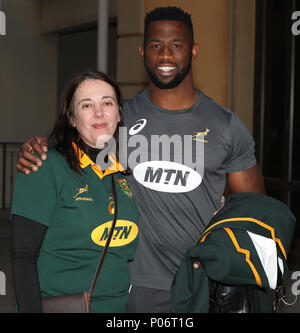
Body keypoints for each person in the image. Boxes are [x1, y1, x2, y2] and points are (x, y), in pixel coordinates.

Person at [15, 7, 265, 313]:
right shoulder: (116, 118)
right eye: (155, 45)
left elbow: (255, 213)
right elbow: (68, 151)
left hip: (199, 283)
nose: (165, 55)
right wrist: (36, 147)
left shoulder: (227, 126)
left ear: (194, 50)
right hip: (130, 287)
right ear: (141, 51)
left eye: (177, 45)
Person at [11, 70, 139, 313]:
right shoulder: (44, 164)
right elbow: (23, 256)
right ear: (71, 117)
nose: (99, 113)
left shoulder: (123, 172)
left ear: (119, 113)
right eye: (87, 105)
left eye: (107, 103)